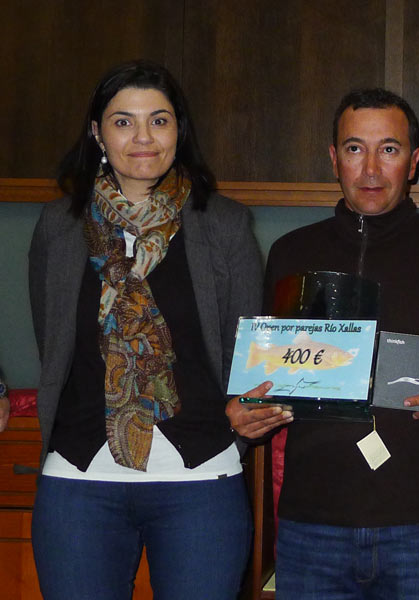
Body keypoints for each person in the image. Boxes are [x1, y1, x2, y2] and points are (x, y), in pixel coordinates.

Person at [226, 88, 419, 599]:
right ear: (333, 158)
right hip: (311, 526)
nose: (370, 168)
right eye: (354, 148)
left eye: (389, 149)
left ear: (414, 162)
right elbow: (260, 382)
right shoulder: (290, 254)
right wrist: (245, 415)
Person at [28, 60, 263, 600]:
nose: (142, 137)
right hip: (79, 479)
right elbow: (54, 339)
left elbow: (244, 348)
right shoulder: (60, 226)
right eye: (123, 121)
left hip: (200, 478)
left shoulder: (224, 223)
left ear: (179, 129)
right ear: (97, 132)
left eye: (158, 121)